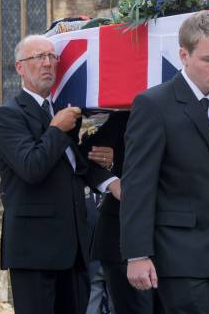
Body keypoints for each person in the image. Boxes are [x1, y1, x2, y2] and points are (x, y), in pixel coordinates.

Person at [119, 11, 209, 314]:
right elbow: (138, 184)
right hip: (176, 254)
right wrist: (137, 254)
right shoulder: (153, 105)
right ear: (183, 55)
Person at [0, 35, 118, 314]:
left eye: (52, 56)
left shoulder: (63, 112)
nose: (48, 63)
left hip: (74, 249)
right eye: (38, 57)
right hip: (34, 249)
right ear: (19, 67)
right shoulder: (8, 115)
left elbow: (74, 167)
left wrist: (107, 174)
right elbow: (31, 167)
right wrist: (56, 129)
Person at [80, 111, 161, 313]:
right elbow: (84, 156)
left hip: (179, 241)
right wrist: (113, 181)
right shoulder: (126, 118)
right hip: (122, 237)